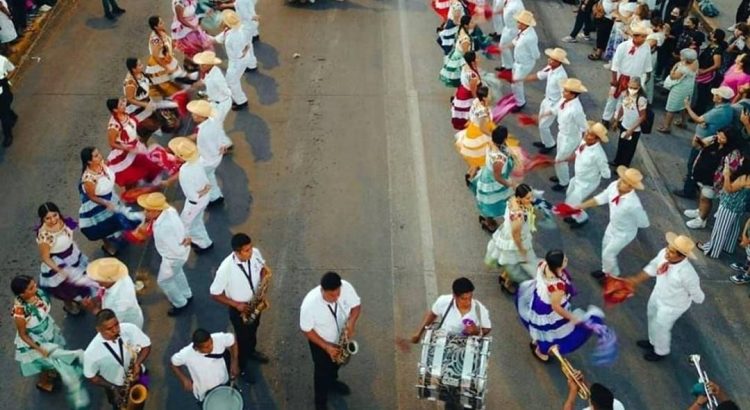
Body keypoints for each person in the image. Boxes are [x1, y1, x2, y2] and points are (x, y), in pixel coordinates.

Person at [624, 232, 704, 361]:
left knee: (661, 326)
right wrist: (635, 280)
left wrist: (693, 298)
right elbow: (653, 266)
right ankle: (652, 342)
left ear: (682, 256)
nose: (667, 253)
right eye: (668, 248)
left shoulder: (688, 274)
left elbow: (698, 296)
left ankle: (660, 352)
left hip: (673, 305)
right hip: (658, 294)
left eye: (671, 252)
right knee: (651, 316)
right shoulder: (664, 254)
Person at [517, 250, 600, 362]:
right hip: (548, 311)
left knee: (542, 330)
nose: (567, 260)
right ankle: (541, 350)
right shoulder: (557, 287)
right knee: (552, 333)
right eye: (564, 260)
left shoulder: (543, 265)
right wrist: (572, 317)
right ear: (557, 266)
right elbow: (556, 307)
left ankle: (537, 341)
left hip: (538, 301)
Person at [210, 233, 271, 380]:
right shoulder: (225, 269)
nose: (251, 252)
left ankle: (252, 351)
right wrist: (236, 305)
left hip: (255, 303)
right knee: (243, 340)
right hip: (240, 310)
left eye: (250, 248)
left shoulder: (255, 253)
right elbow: (214, 293)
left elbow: (262, 268)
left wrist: (263, 280)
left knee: (254, 329)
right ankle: (242, 367)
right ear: (237, 252)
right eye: (246, 250)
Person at [299, 271, 362, 410]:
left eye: (338, 293)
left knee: (336, 365)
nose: (336, 298)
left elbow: (356, 307)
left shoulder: (346, 287)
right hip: (321, 343)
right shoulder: (309, 305)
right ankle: (320, 403)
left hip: (341, 339)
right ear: (322, 290)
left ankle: (332, 382)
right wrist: (326, 347)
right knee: (321, 373)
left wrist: (351, 323)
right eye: (331, 295)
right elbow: (306, 329)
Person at [577, 166, 650, 278]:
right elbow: (601, 198)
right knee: (604, 248)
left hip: (624, 234)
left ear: (631, 187)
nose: (619, 182)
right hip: (612, 226)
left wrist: (629, 222)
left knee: (608, 254)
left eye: (624, 182)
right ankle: (605, 271)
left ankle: (613, 277)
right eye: (621, 178)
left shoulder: (634, 205)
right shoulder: (614, 186)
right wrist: (581, 206)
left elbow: (644, 223)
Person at [11, 275, 72, 393]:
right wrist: (39, 349)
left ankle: (50, 371)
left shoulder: (38, 294)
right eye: (31, 288)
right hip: (35, 340)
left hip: (47, 331)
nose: (35, 288)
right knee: (43, 364)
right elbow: (23, 335)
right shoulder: (20, 312)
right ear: (22, 294)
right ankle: (43, 383)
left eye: (34, 285)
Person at [137, 192, 195, 315]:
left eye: (148, 210)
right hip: (181, 253)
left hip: (173, 257)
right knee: (178, 273)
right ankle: (186, 293)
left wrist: (170, 261)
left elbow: (173, 247)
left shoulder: (164, 227)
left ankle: (180, 303)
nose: (145, 212)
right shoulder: (169, 210)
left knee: (164, 282)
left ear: (156, 211)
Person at [675, 86, 737, 199]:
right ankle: (693, 185)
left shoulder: (719, 111)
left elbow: (698, 119)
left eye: (716, 95)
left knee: (693, 164)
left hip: (705, 143)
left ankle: (689, 190)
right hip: (708, 140)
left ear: (720, 98)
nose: (713, 96)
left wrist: (687, 107)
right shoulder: (726, 109)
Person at [36, 202, 97, 316]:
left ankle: (80, 301)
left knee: (78, 284)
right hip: (58, 264)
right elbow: (45, 258)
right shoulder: (45, 236)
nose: (53, 220)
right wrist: (60, 271)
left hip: (72, 256)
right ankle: (68, 305)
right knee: (65, 290)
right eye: (48, 218)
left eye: (55, 215)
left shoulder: (63, 222)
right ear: (43, 219)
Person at [83, 309, 151, 408]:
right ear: (98, 330)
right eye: (109, 329)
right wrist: (112, 387)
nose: (116, 330)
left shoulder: (130, 329)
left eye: (117, 324)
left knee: (143, 396)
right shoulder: (91, 352)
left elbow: (147, 346)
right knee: (119, 406)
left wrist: (137, 363)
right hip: (117, 386)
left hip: (140, 374)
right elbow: (92, 377)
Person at [104, 97, 173, 189]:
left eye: (122, 103)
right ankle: (133, 195)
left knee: (146, 166)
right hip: (125, 154)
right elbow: (112, 143)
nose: (123, 105)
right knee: (131, 177)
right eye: (120, 105)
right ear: (115, 109)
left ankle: (148, 187)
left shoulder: (126, 114)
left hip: (136, 145)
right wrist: (128, 148)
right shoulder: (114, 126)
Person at [682, 127, 742, 229]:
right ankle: (700, 211)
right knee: (702, 195)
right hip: (702, 175)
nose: (719, 138)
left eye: (723, 138)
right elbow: (700, 145)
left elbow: (732, 169)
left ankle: (702, 219)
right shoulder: (714, 139)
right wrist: (700, 142)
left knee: (706, 198)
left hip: (714, 181)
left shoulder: (733, 152)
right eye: (719, 134)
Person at [485, 183, 538, 294]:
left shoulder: (513, 199)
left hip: (506, 234)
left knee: (510, 261)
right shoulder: (518, 216)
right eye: (528, 198)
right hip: (515, 242)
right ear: (519, 198)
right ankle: (507, 283)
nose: (531, 200)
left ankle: (504, 276)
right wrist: (522, 250)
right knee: (516, 263)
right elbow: (516, 236)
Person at [78, 147, 129, 256]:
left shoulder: (101, 164)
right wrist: (106, 203)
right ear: (89, 161)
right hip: (98, 204)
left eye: (98, 153)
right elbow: (92, 197)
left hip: (110, 197)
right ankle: (107, 246)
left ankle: (118, 236)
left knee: (115, 220)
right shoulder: (88, 179)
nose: (100, 156)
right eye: (96, 156)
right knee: (103, 226)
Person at [602, 23, 652, 128]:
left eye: (645, 37)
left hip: (635, 79)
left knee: (627, 100)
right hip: (621, 76)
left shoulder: (646, 47)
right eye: (641, 36)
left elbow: (648, 65)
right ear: (634, 36)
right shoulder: (623, 46)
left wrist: (646, 78)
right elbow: (615, 64)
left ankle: (619, 119)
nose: (643, 39)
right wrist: (614, 80)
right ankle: (606, 118)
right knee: (613, 98)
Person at [410, 277, 491, 342]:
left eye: (470, 298)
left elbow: (487, 328)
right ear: (455, 296)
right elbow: (432, 314)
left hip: (468, 346)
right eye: (464, 299)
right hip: (443, 341)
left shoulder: (479, 308)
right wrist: (419, 333)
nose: (468, 302)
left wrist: (476, 331)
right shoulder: (443, 301)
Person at [697, 161, 750, 258]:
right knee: (733, 228)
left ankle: (712, 250)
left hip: (729, 206)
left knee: (720, 229)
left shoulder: (745, 178)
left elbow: (729, 189)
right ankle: (728, 247)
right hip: (739, 207)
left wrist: (726, 175)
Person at [170, 329, 240, 403]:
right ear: (196, 348)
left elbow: (233, 340)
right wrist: (184, 379)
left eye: (211, 343)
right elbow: (173, 364)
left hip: (224, 381)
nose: (211, 347)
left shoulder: (218, 338)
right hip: (204, 391)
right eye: (206, 347)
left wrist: (234, 362)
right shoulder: (186, 354)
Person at [563, 122, 611, 228]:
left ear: (597, 140)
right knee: (569, 194)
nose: (586, 135)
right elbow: (577, 153)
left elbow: (606, 174)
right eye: (587, 132)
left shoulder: (599, 155)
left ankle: (581, 218)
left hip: (587, 183)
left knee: (573, 202)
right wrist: (568, 158)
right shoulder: (584, 142)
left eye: (590, 135)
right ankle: (574, 214)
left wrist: (594, 173)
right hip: (577, 178)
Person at [169, 137, 213, 251]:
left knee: (186, 224)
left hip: (195, 202)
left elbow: (191, 193)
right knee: (197, 220)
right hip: (205, 197)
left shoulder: (184, 171)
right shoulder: (198, 161)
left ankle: (202, 244)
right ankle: (204, 241)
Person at [544, 78, 588, 189]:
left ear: (573, 95)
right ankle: (561, 175)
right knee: (560, 158)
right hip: (562, 134)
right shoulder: (564, 100)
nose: (563, 92)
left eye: (566, 91)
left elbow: (584, 128)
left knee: (560, 160)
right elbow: (555, 110)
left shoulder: (576, 110)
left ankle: (564, 182)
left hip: (571, 138)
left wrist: (580, 148)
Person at [471, 126, 516, 233]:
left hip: (488, 174)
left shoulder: (492, 142)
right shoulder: (499, 159)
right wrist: (510, 184)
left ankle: (489, 220)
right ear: (504, 139)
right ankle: (489, 223)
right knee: (490, 203)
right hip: (493, 182)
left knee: (488, 202)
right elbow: (498, 177)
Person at [525, 47, 569, 153]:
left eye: (552, 59)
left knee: (543, 126)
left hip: (554, 103)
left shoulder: (561, 76)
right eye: (550, 58)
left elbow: (565, 96)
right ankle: (545, 141)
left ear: (559, 62)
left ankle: (550, 144)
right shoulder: (550, 68)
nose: (549, 60)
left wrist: (554, 109)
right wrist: (525, 78)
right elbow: (541, 75)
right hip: (547, 100)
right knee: (542, 124)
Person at [187, 100, 229, 205]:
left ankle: (211, 198)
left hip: (207, 160)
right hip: (215, 157)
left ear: (200, 116)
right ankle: (215, 196)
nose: (192, 115)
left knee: (202, 180)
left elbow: (199, 147)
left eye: (194, 114)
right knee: (210, 176)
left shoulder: (202, 133)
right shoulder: (213, 121)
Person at [82, 257, 144, 329]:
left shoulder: (120, 300)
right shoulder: (121, 276)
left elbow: (110, 321)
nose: (95, 280)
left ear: (108, 280)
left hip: (126, 327)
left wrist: (93, 309)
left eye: (98, 278)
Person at [214, 10, 254, 112]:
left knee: (231, 82)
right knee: (232, 81)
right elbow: (217, 39)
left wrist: (245, 50)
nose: (220, 22)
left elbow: (238, 55)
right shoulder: (232, 31)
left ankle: (241, 101)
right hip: (241, 60)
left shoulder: (233, 37)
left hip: (237, 63)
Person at [192, 50, 233, 145]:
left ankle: (226, 144)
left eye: (203, 64)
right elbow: (205, 81)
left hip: (221, 104)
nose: (200, 66)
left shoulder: (216, 77)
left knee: (216, 125)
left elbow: (226, 92)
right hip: (215, 101)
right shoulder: (209, 71)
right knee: (215, 124)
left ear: (210, 64)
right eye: (201, 64)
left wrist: (213, 97)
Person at [455, 85, 494, 182]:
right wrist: (492, 135)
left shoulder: (476, 101)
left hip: (472, 129)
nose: (491, 95)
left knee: (477, 156)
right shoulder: (483, 111)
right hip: (479, 134)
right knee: (481, 157)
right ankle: (472, 176)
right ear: (484, 98)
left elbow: (471, 115)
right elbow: (482, 127)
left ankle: (470, 174)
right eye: (489, 94)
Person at [146, 16, 189, 98]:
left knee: (180, 79)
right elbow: (155, 56)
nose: (163, 23)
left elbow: (169, 44)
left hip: (169, 61)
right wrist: (166, 68)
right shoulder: (155, 40)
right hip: (162, 66)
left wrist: (177, 47)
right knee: (173, 86)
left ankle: (187, 93)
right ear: (155, 27)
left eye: (162, 21)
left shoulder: (162, 32)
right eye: (160, 23)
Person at [657, 48, 698, 134]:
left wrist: (673, 68)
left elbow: (673, 76)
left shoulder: (682, 69)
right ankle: (683, 122)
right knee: (684, 105)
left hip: (680, 88)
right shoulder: (695, 62)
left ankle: (666, 126)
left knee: (671, 107)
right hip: (689, 86)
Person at [611, 77, 648, 168]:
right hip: (624, 124)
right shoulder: (626, 95)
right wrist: (616, 120)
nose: (632, 90)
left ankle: (623, 167)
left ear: (639, 87)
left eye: (635, 88)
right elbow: (622, 108)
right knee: (621, 146)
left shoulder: (641, 99)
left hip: (634, 129)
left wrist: (631, 130)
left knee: (628, 150)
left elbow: (642, 116)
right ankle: (617, 162)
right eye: (631, 87)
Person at [509, 10, 540, 110]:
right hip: (517, 62)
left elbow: (536, 54)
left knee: (516, 83)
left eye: (519, 22)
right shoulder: (522, 31)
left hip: (524, 64)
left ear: (525, 24)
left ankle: (520, 103)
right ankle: (516, 97)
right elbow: (516, 40)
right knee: (514, 83)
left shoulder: (530, 38)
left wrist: (525, 58)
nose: (517, 23)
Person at [451, 50, 481, 131]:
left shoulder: (464, 66)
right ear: (472, 61)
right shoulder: (472, 76)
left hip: (462, 91)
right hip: (467, 96)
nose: (478, 59)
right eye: (476, 58)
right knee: (470, 116)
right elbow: (473, 90)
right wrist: (477, 101)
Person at [497, 0, 525, 71]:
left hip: (513, 29)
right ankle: (506, 65)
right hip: (507, 28)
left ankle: (509, 67)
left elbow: (523, 20)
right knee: (502, 46)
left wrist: (521, 33)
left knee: (503, 47)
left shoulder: (517, 5)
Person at [0, 53, 18, 148]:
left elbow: (12, 69)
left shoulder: (2, 60)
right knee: (4, 112)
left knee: (3, 116)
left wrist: (5, 80)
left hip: (2, 91)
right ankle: (12, 115)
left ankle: (8, 135)